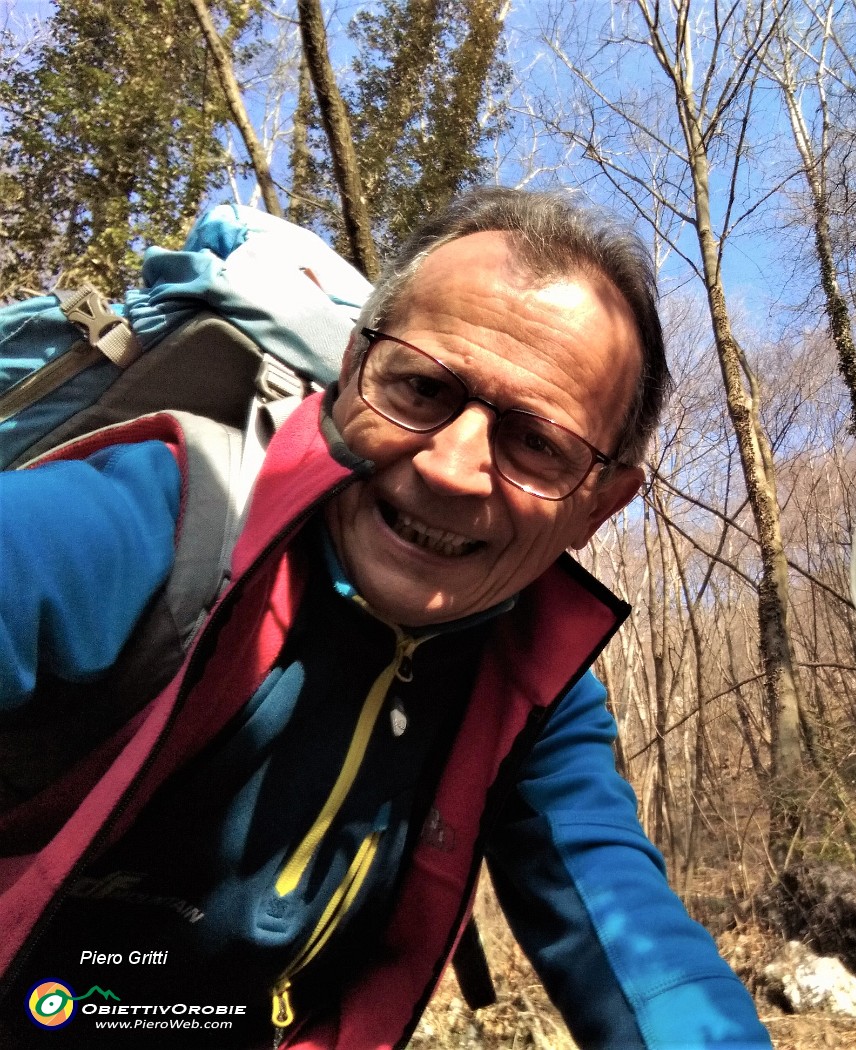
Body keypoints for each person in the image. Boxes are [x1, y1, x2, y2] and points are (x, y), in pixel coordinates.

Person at [0, 188, 772, 1049]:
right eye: (420, 387)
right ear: (349, 377)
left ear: (598, 507)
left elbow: (640, 951)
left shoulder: (532, 697)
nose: (449, 468)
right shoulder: (164, 519)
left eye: (535, 441)